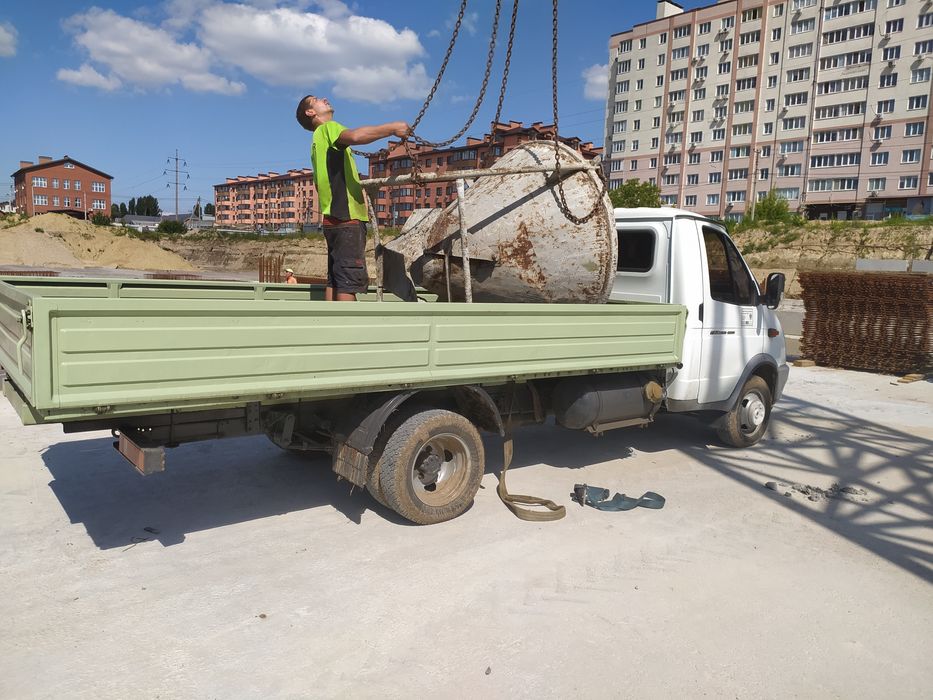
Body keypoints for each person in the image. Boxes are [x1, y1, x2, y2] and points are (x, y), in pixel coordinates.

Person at [296, 95, 409, 301]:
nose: (324, 98)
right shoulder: (328, 128)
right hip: (346, 217)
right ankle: (348, 322)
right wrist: (393, 128)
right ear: (310, 112)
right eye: (316, 99)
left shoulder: (317, 141)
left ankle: (331, 319)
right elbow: (356, 136)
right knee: (348, 282)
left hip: (332, 220)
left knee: (335, 280)